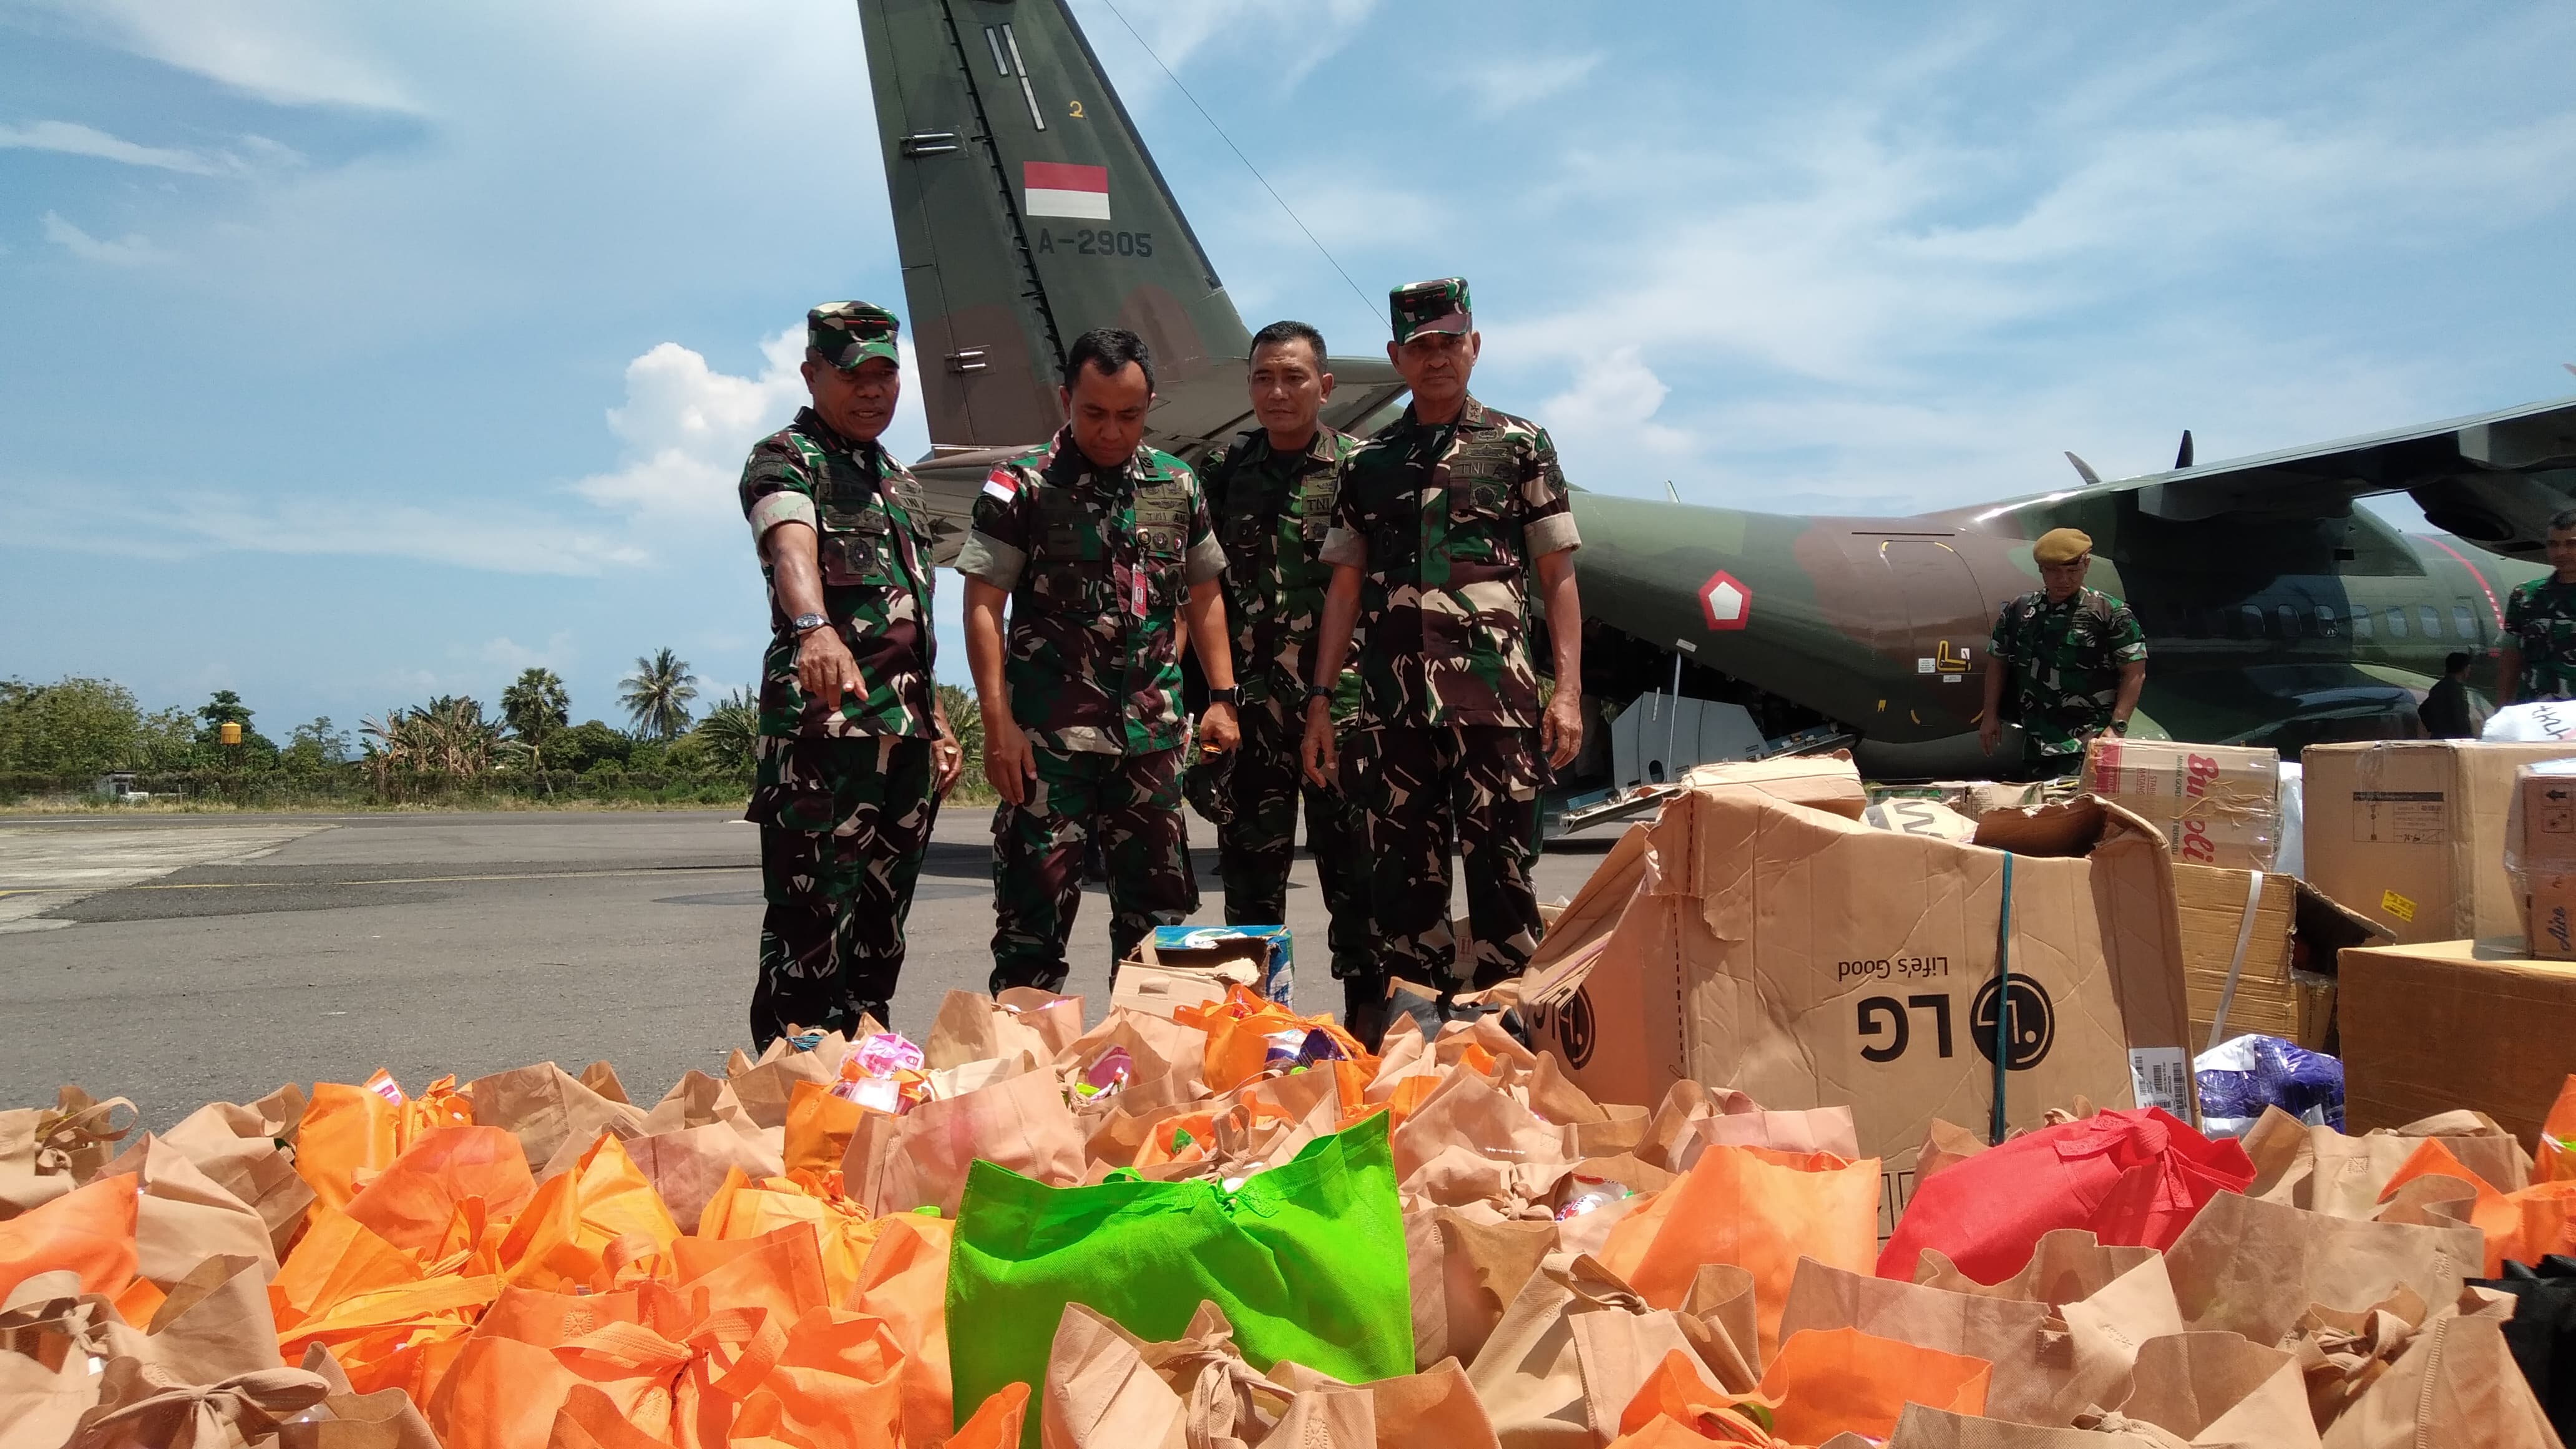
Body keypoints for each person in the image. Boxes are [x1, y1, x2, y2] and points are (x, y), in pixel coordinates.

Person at [1303, 278, 1584, 992]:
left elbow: (1558, 576)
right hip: (1394, 709)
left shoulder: (1520, 446)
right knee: (1401, 886)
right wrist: (1320, 700)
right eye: (1421, 346)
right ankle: (1415, 1045)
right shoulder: (1365, 464)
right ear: (1397, 356)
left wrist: (1569, 692)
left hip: (1496, 701)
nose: (1438, 358)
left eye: (1451, 343)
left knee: (1504, 877)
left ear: (1476, 346)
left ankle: (1515, 1043)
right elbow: (1343, 587)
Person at [959, 328, 1240, 993]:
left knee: (1159, 930)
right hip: (1048, 743)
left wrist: (1223, 697)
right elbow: (981, 605)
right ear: (1066, 398)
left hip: (1152, 742)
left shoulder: (1177, 485)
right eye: (1094, 413)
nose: (1112, 431)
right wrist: (996, 725)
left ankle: (1143, 1080)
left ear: (1150, 406)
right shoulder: (1020, 485)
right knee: (1034, 921)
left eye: (1130, 415)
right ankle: (1029, 1078)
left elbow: (1204, 597)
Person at [736, 301, 964, 1048]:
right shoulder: (785, 457)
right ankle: (785, 1110)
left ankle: (866, 1099)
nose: (873, 391)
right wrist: (812, 626)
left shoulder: (901, 483)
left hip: (905, 744)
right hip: (825, 739)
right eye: (853, 374)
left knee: (878, 944)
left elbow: (910, 619)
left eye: (886, 375)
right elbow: (790, 542)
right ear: (812, 373)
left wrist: (938, 721)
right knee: (809, 942)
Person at [1196, 320, 1377, 1038]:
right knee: (1249, 884)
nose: (1278, 391)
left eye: (1294, 377)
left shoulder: (1361, 471)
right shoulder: (1223, 475)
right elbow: (1197, 588)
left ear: (1325, 387)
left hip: (1342, 710)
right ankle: (1256, 1028)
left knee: (1355, 877)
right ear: (1249, 386)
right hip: (1250, 711)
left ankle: (1366, 1019)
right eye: (1264, 377)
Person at [1978, 526, 2147, 777]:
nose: (2064, 580)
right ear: (2041, 570)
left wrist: (2117, 727)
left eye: (2073, 571)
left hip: (2090, 744)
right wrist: (1989, 716)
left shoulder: (2110, 613)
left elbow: (2134, 673)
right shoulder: (2021, 611)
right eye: (2054, 572)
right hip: (2036, 742)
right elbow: (1998, 661)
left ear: (2086, 566)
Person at [2500, 509, 2576, 704]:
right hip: (2536, 717)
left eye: (2571, 544)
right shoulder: (2526, 596)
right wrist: (2501, 709)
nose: (2561, 553)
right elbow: (2511, 660)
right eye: (2553, 545)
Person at [2419, 652, 2478, 738]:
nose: (2470, 670)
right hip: (2454, 741)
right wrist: (2467, 738)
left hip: (2440, 738)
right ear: (2464, 669)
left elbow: (2423, 710)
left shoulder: (2439, 687)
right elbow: (2460, 718)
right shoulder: (2456, 690)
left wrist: (2436, 729)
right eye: (2469, 667)